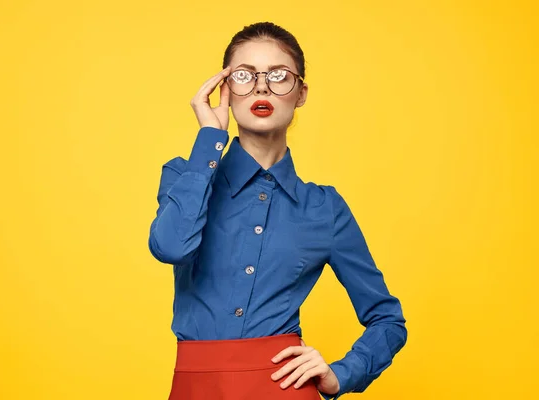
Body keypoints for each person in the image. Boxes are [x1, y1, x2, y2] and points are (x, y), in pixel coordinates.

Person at [148, 21, 407, 400]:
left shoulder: (325, 208)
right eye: (244, 75)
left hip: (284, 390)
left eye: (279, 75)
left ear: (300, 93)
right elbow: (170, 247)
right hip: (195, 387)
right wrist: (209, 140)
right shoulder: (186, 174)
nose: (261, 86)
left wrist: (341, 374)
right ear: (226, 90)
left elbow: (388, 320)